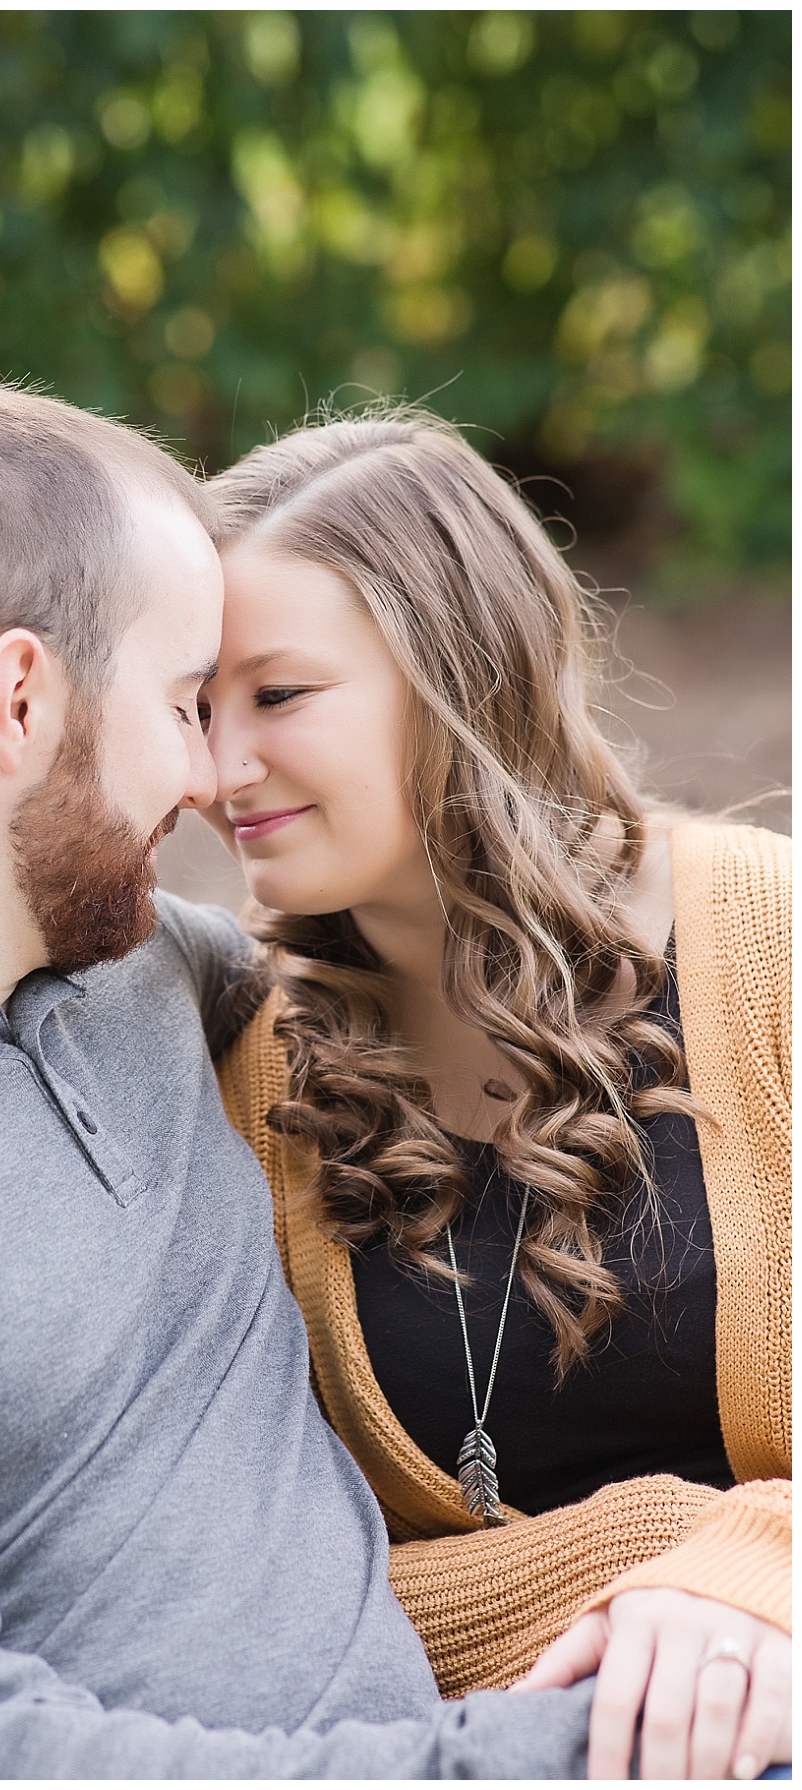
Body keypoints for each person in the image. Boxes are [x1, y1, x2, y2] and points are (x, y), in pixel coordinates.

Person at [0, 379, 602, 1780]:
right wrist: (566, 1756)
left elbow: (491, 962)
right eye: (188, 700)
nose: (209, 773)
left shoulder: (138, 975)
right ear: (20, 697)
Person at [198, 405, 791, 1784]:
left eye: (278, 697)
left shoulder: (770, 949)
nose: (220, 772)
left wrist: (763, 1567)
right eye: (196, 707)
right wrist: (653, 1554)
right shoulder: (246, 1068)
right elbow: (293, 1599)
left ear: (461, 672)